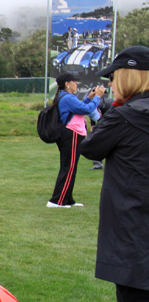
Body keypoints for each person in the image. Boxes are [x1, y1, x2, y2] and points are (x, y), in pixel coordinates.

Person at [78, 45, 149, 302]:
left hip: (131, 214)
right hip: (141, 210)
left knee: (136, 295)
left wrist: (110, 111)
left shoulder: (124, 116)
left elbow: (90, 147)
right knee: (131, 289)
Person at [47, 72, 105, 208]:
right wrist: (97, 97)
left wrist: (90, 98)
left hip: (72, 134)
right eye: (74, 81)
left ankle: (67, 199)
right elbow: (87, 109)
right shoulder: (67, 97)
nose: (77, 84)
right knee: (68, 167)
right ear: (67, 84)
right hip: (70, 135)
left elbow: (79, 109)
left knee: (71, 167)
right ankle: (57, 201)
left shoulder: (66, 97)